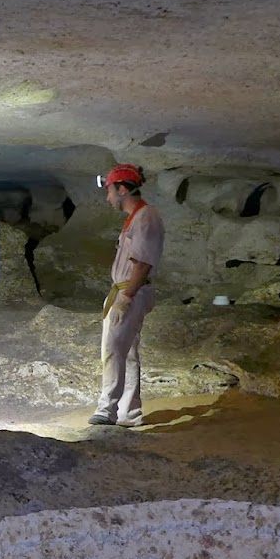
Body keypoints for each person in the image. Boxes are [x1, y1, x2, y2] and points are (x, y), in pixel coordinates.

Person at [89, 163, 164, 427]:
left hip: (130, 292)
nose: (108, 197)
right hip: (125, 291)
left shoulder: (146, 216)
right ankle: (128, 413)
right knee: (127, 353)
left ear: (122, 189)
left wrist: (126, 297)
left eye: (110, 191)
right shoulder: (136, 218)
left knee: (112, 350)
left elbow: (143, 263)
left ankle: (106, 409)